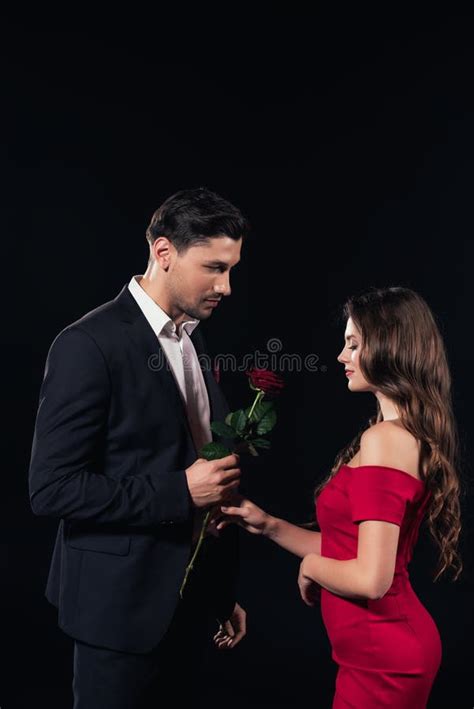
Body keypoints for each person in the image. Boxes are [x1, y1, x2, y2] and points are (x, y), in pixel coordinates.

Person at [28, 187, 249, 708]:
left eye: (233, 268)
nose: (227, 286)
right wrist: (182, 492)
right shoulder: (87, 344)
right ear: (163, 252)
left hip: (188, 606)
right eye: (214, 267)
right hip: (117, 613)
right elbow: (51, 489)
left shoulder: (191, 338)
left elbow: (182, 458)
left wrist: (218, 593)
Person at [216, 287, 463, 708]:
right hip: (370, 654)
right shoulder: (390, 436)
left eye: (353, 344)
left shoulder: (386, 439)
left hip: (385, 656)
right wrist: (269, 525)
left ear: (389, 345)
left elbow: (370, 578)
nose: (341, 357)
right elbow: (349, 551)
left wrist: (311, 567)